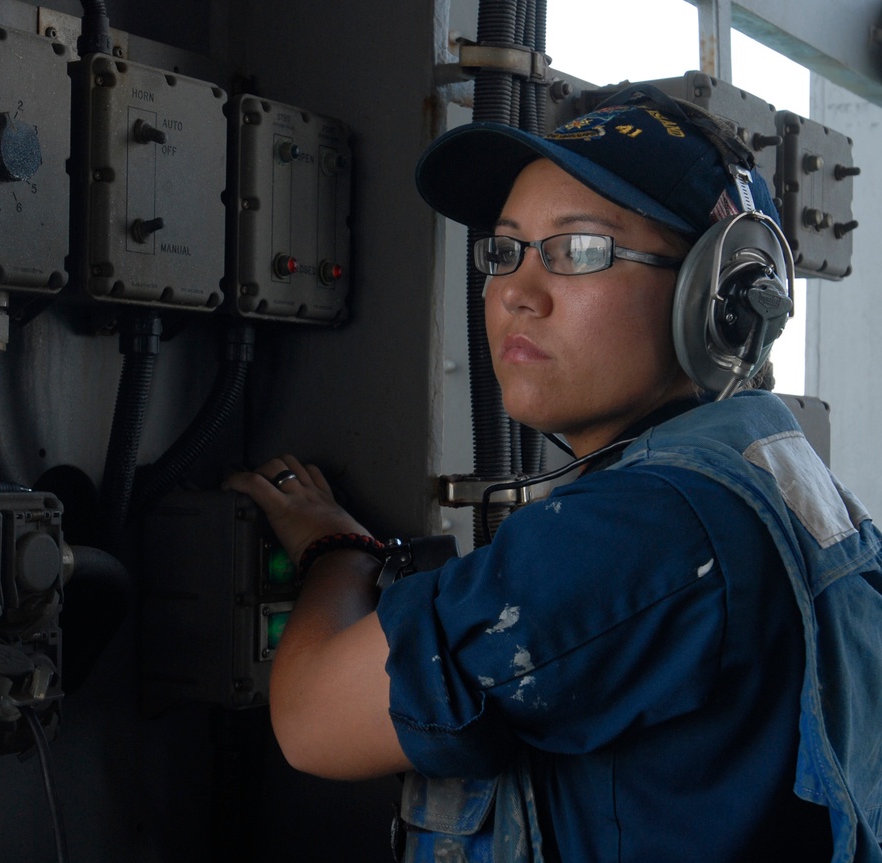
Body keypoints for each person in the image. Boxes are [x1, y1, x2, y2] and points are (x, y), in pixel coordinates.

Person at [226, 85, 882, 862]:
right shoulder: (777, 476)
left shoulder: (643, 529)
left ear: (721, 296)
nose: (514, 294)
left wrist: (337, 553)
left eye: (579, 251)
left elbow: (311, 721)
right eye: (505, 250)